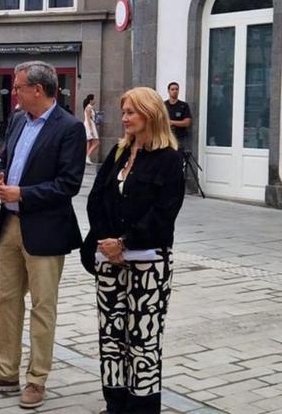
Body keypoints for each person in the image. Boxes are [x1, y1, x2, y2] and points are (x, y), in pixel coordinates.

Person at [0, 61, 86, 409]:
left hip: (46, 230)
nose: (13, 93)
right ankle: (3, 369)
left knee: (42, 307)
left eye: (18, 87)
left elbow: (68, 185)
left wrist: (23, 194)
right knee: (5, 300)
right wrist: (0, 178)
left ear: (38, 89)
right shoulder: (19, 120)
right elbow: (5, 158)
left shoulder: (70, 128)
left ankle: (37, 379)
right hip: (10, 225)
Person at [80, 87, 184, 414]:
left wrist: (125, 242)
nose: (124, 118)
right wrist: (107, 241)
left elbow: (164, 212)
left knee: (143, 340)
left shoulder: (169, 159)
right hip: (109, 259)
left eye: (131, 112)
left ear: (150, 114)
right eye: (123, 112)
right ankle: (115, 405)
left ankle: (141, 408)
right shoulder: (119, 152)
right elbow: (97, 198)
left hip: (148, 262)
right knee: (111, 338)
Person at [164, 82, 191, 150]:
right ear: (168, 91)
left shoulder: (184, 105)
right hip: (166, 137)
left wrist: (171, 122)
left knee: (178, 157)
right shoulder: (163, 105)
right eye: (172, 89)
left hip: (180, 138)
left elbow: (187, 123)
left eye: (176, 89)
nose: (175, 91)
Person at [83, 93, 100, 164]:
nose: (95, 100)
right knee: (96, 142)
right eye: (94, 99)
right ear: (91, 100)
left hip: (89, 124)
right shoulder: (89, 107)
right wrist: (90, 129)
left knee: (89, 142)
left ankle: (87, 157)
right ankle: (87, 156)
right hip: (89, 124)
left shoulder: (89, 107)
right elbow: (88, 118)